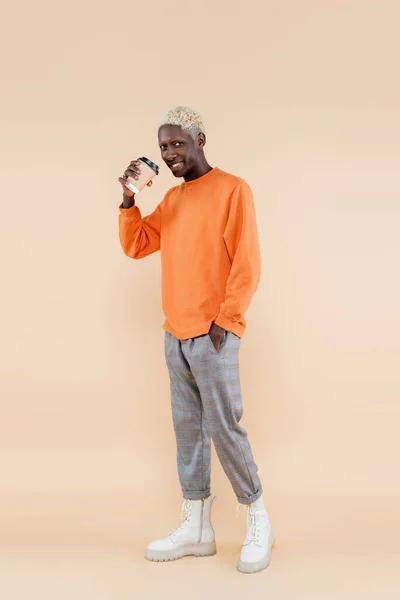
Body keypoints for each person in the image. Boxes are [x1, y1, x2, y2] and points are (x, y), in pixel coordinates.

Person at [117, 106, 274, 574]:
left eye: (178, 143)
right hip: (175, 334)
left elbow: (247, 261)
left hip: (214, 333)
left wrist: (227, 323)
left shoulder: (232, 190)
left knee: (224, 427)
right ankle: (197, 526)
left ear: (199, 139)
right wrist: (128, 200)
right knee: (188, 432)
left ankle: (258, 515)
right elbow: (137, 244)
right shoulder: (173, 200)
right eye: (164, 147)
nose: (170, 154)